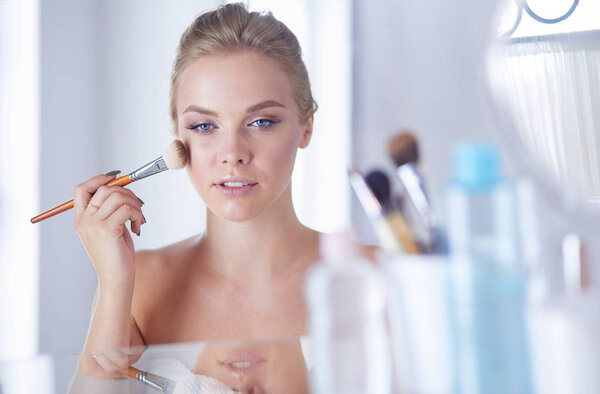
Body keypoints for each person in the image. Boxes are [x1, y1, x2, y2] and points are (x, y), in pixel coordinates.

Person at [74, 2, 323, 380]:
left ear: (305, 126)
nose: (233, 155)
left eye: (261, 121)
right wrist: (114, 283)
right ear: (178, 135)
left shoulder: (371, 275)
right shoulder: (143, 284)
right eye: (205, 126)